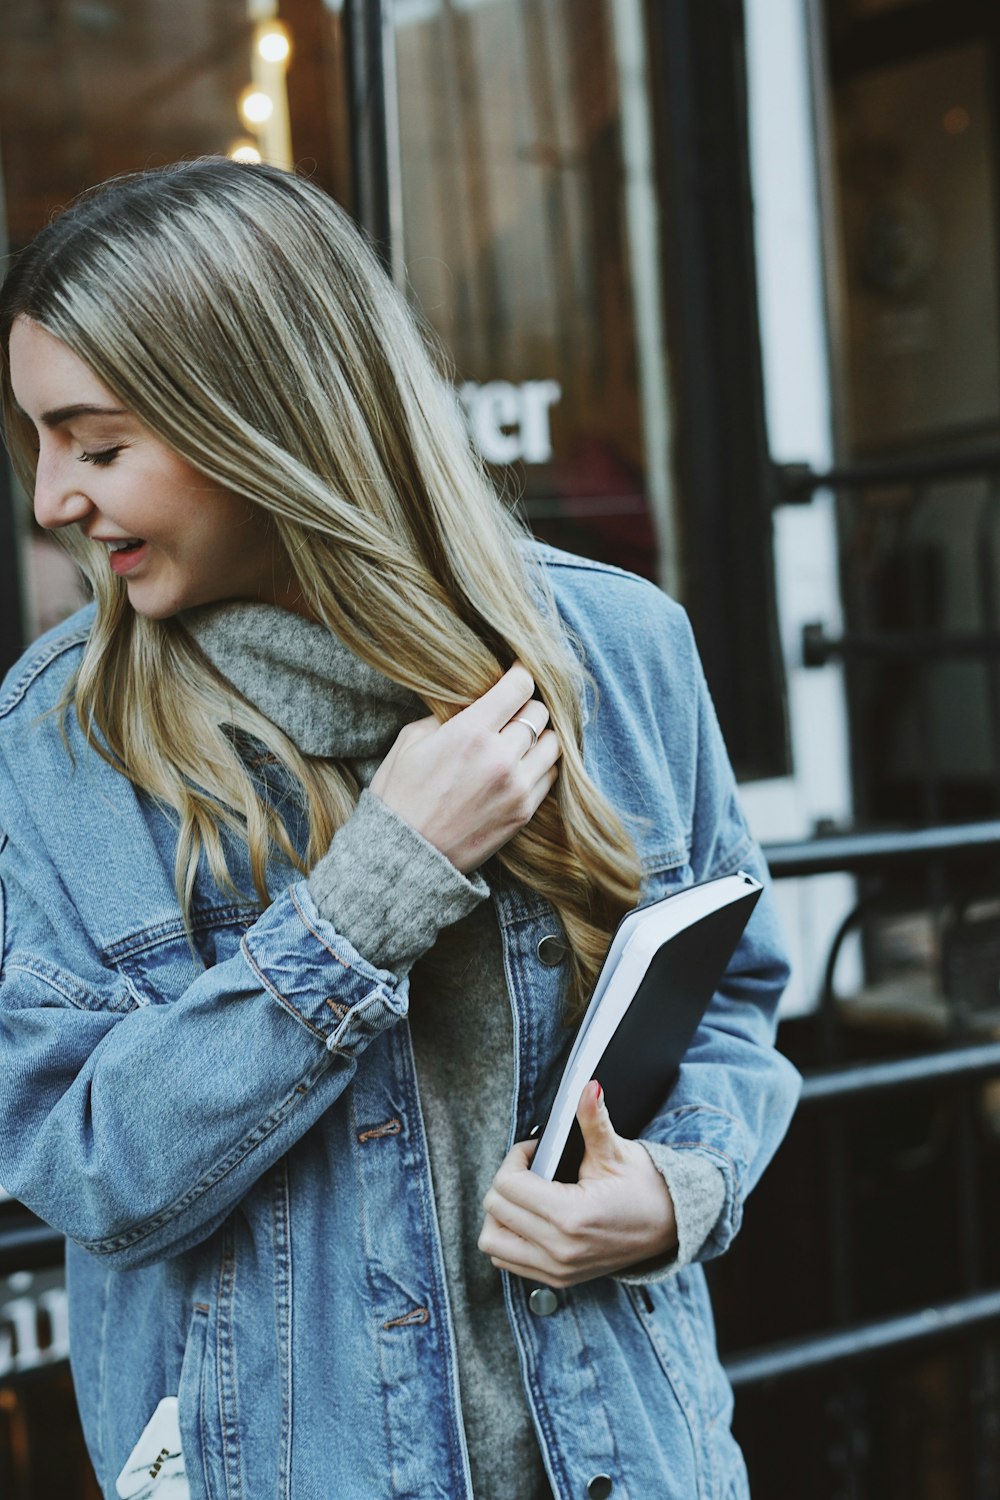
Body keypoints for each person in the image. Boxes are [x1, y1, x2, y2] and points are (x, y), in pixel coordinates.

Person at [0, 159, 799, 1500]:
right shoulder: (58, 739)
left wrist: (673, 1193)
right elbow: (88, 1168)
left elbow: (732, 1001)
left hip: (626, 1461)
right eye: (36, 443)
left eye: (96, 444)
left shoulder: (618, 648)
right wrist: (370, 898)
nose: (48, 502)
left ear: (260, 416)